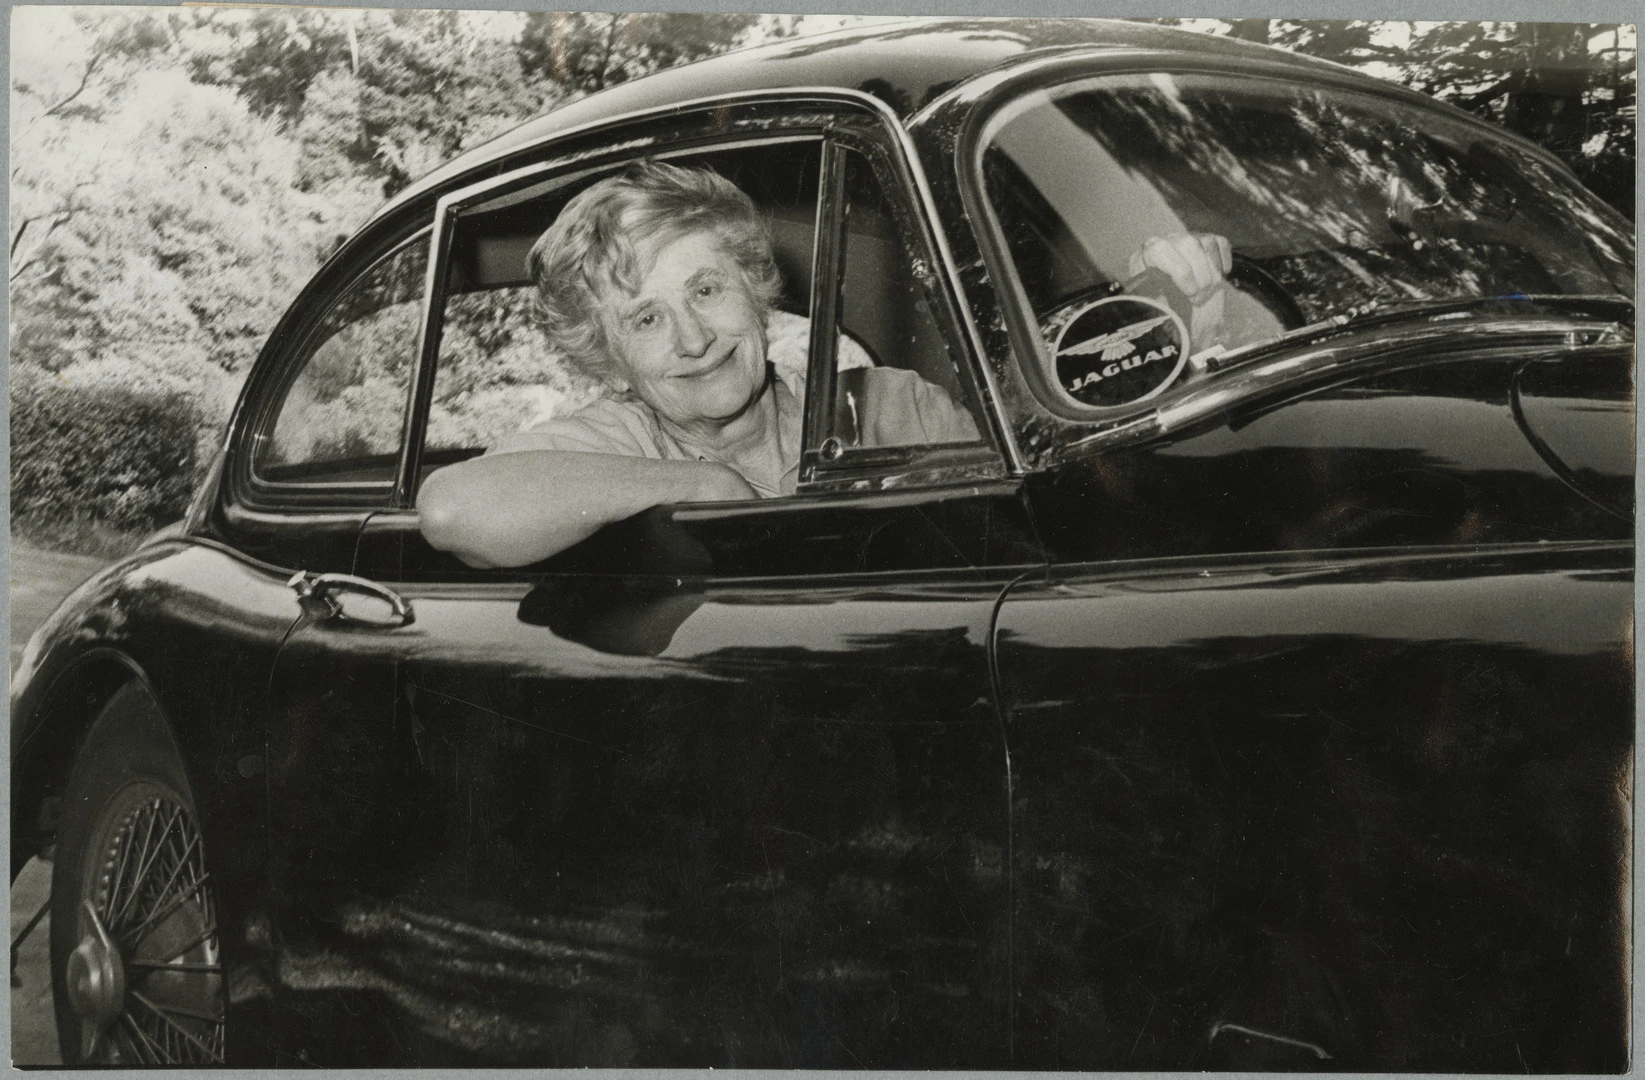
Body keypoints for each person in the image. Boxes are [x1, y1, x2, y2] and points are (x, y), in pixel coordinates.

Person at [418, 160, 1229, 569]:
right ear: (613, 360)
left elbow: (1050, 520)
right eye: (645, 318)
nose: (693, 338)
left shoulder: (885, 404)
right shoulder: (620, 439)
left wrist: (1176, 345)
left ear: (756, 287)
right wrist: (697, 485)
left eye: (705, 288)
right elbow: (456, 509)